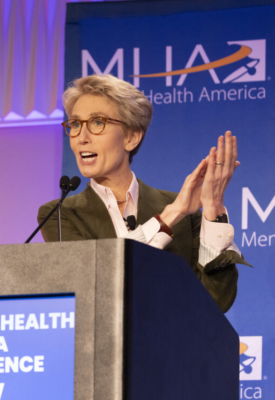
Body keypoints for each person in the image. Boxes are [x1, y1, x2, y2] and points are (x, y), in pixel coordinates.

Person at [38, 74, 251, 313]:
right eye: (75, 124)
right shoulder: (59, 214)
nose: (82, 138)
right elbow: (94, 281)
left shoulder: (184, 213)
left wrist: (212, 212)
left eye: (97, 123)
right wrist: (170, 217)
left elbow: (216, 301)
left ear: (131, 137)